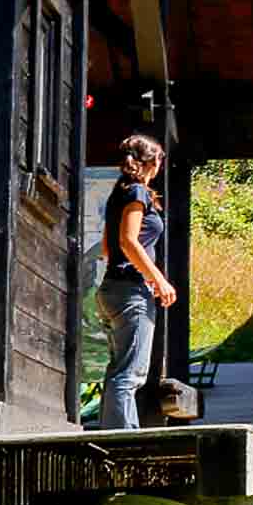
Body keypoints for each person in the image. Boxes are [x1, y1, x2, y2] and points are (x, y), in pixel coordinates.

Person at [98, 133, 174, 430]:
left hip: (111, 290)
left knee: (118, 371)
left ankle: (109, 438)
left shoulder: (119, 193)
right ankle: (123, 440)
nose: (161, 165)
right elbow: (128, 242)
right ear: (152, 161)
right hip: (131, 293)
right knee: (130, 375)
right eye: (160, 159)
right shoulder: (138, 193)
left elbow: (108, 248)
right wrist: (159, 280)